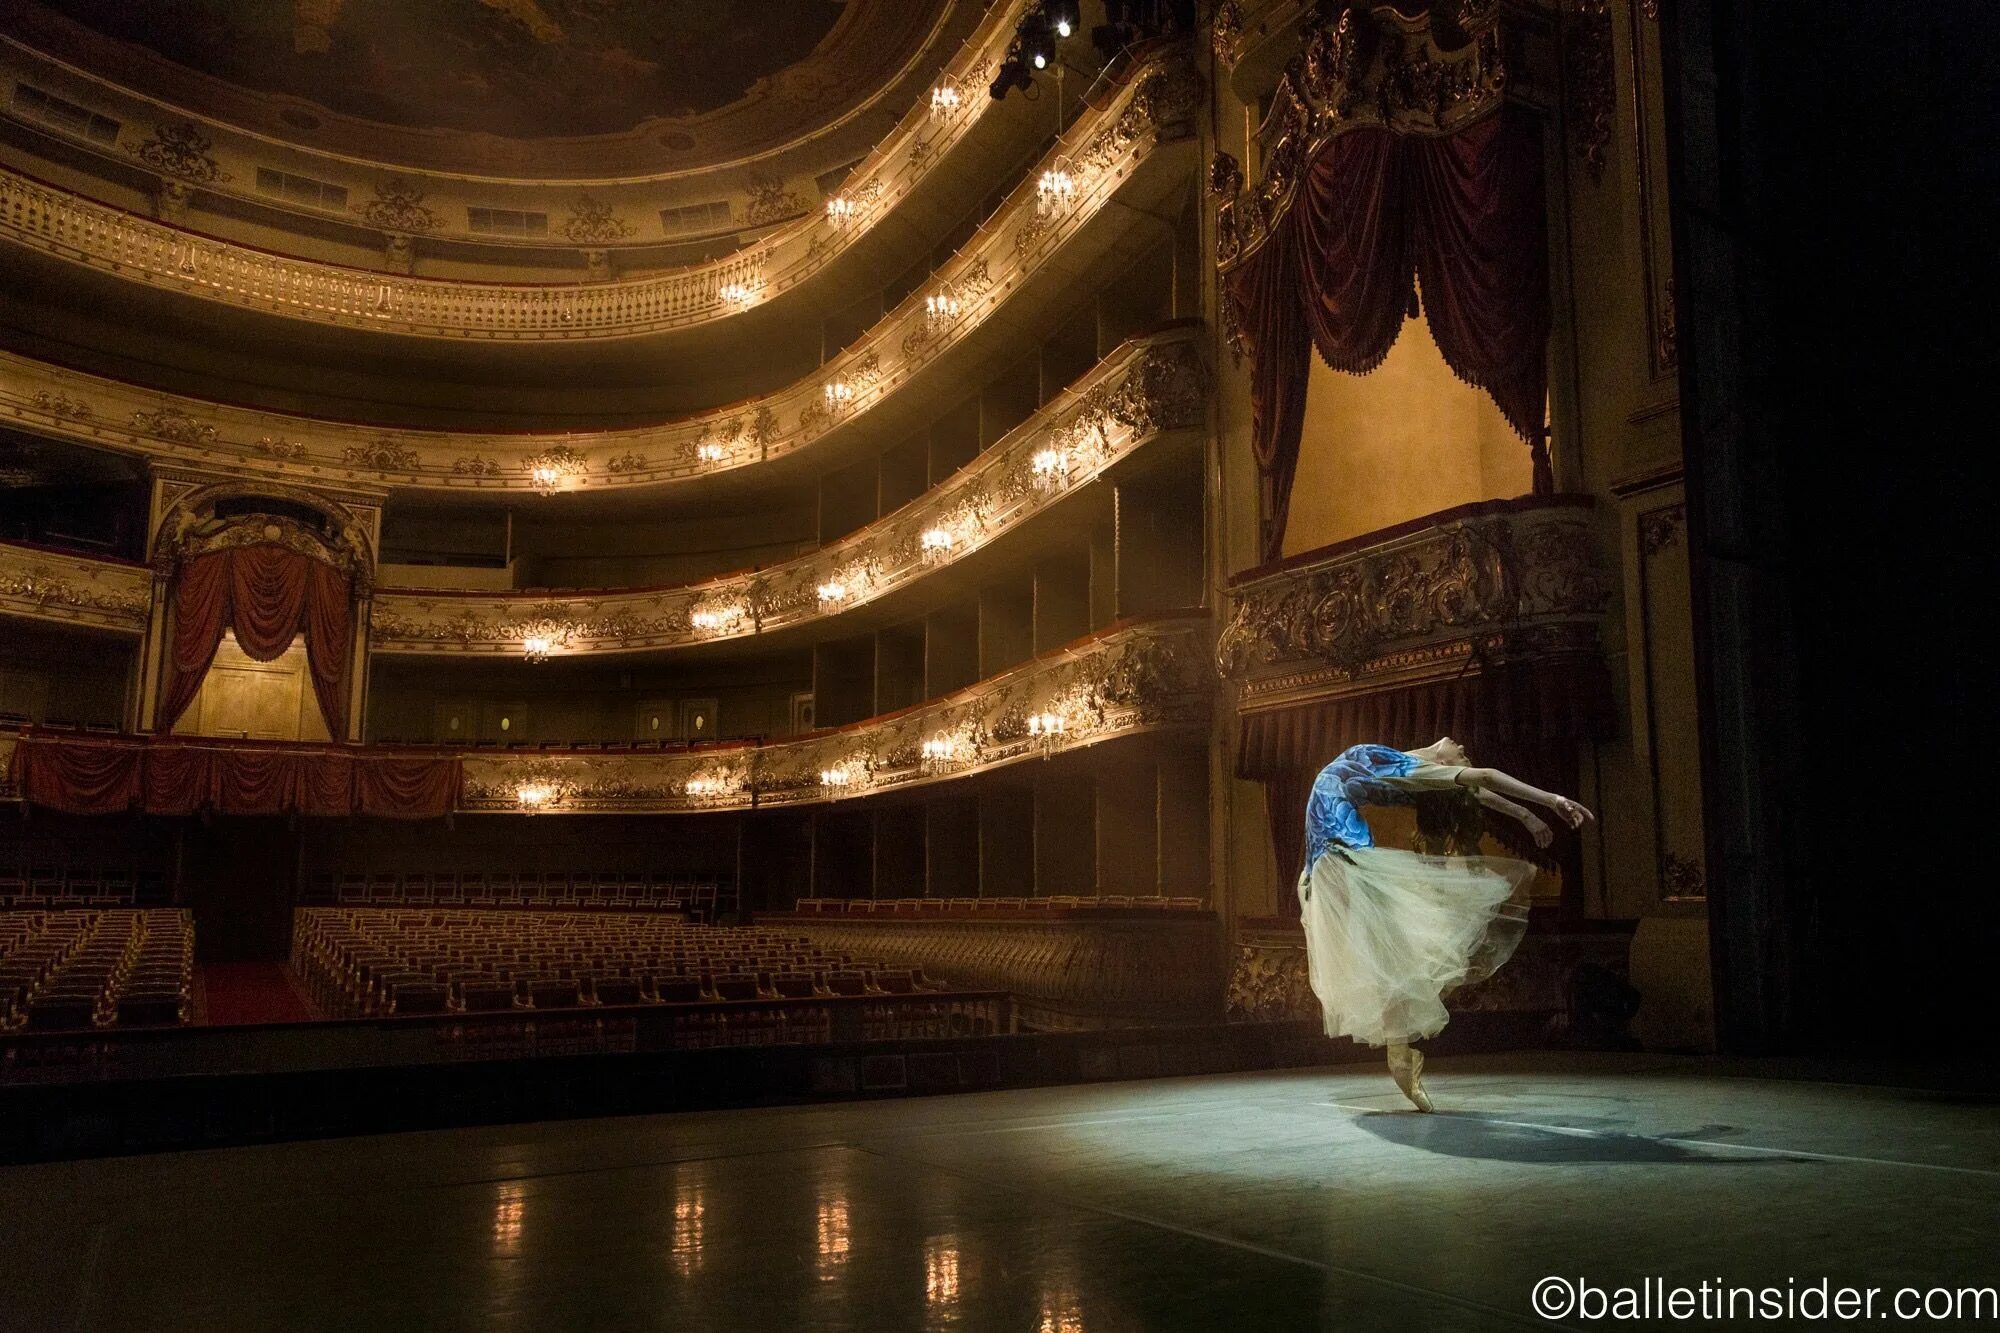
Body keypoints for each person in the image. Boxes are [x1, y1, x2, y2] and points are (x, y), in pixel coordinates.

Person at [1297, 738, 1593, 1111]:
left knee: (1393, 955)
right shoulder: (1399, 763)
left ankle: (1399, 1056)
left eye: (1463, 755)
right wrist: (1532, 812)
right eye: (1461, 754)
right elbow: (1475, 782)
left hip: (1337, 856)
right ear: (1440, 755)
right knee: (1395, 953)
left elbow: (1481, 780)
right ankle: (1399, 1057)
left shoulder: (1410, 771)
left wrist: (1545, 804)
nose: (1464, 748)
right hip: (1332, 858)